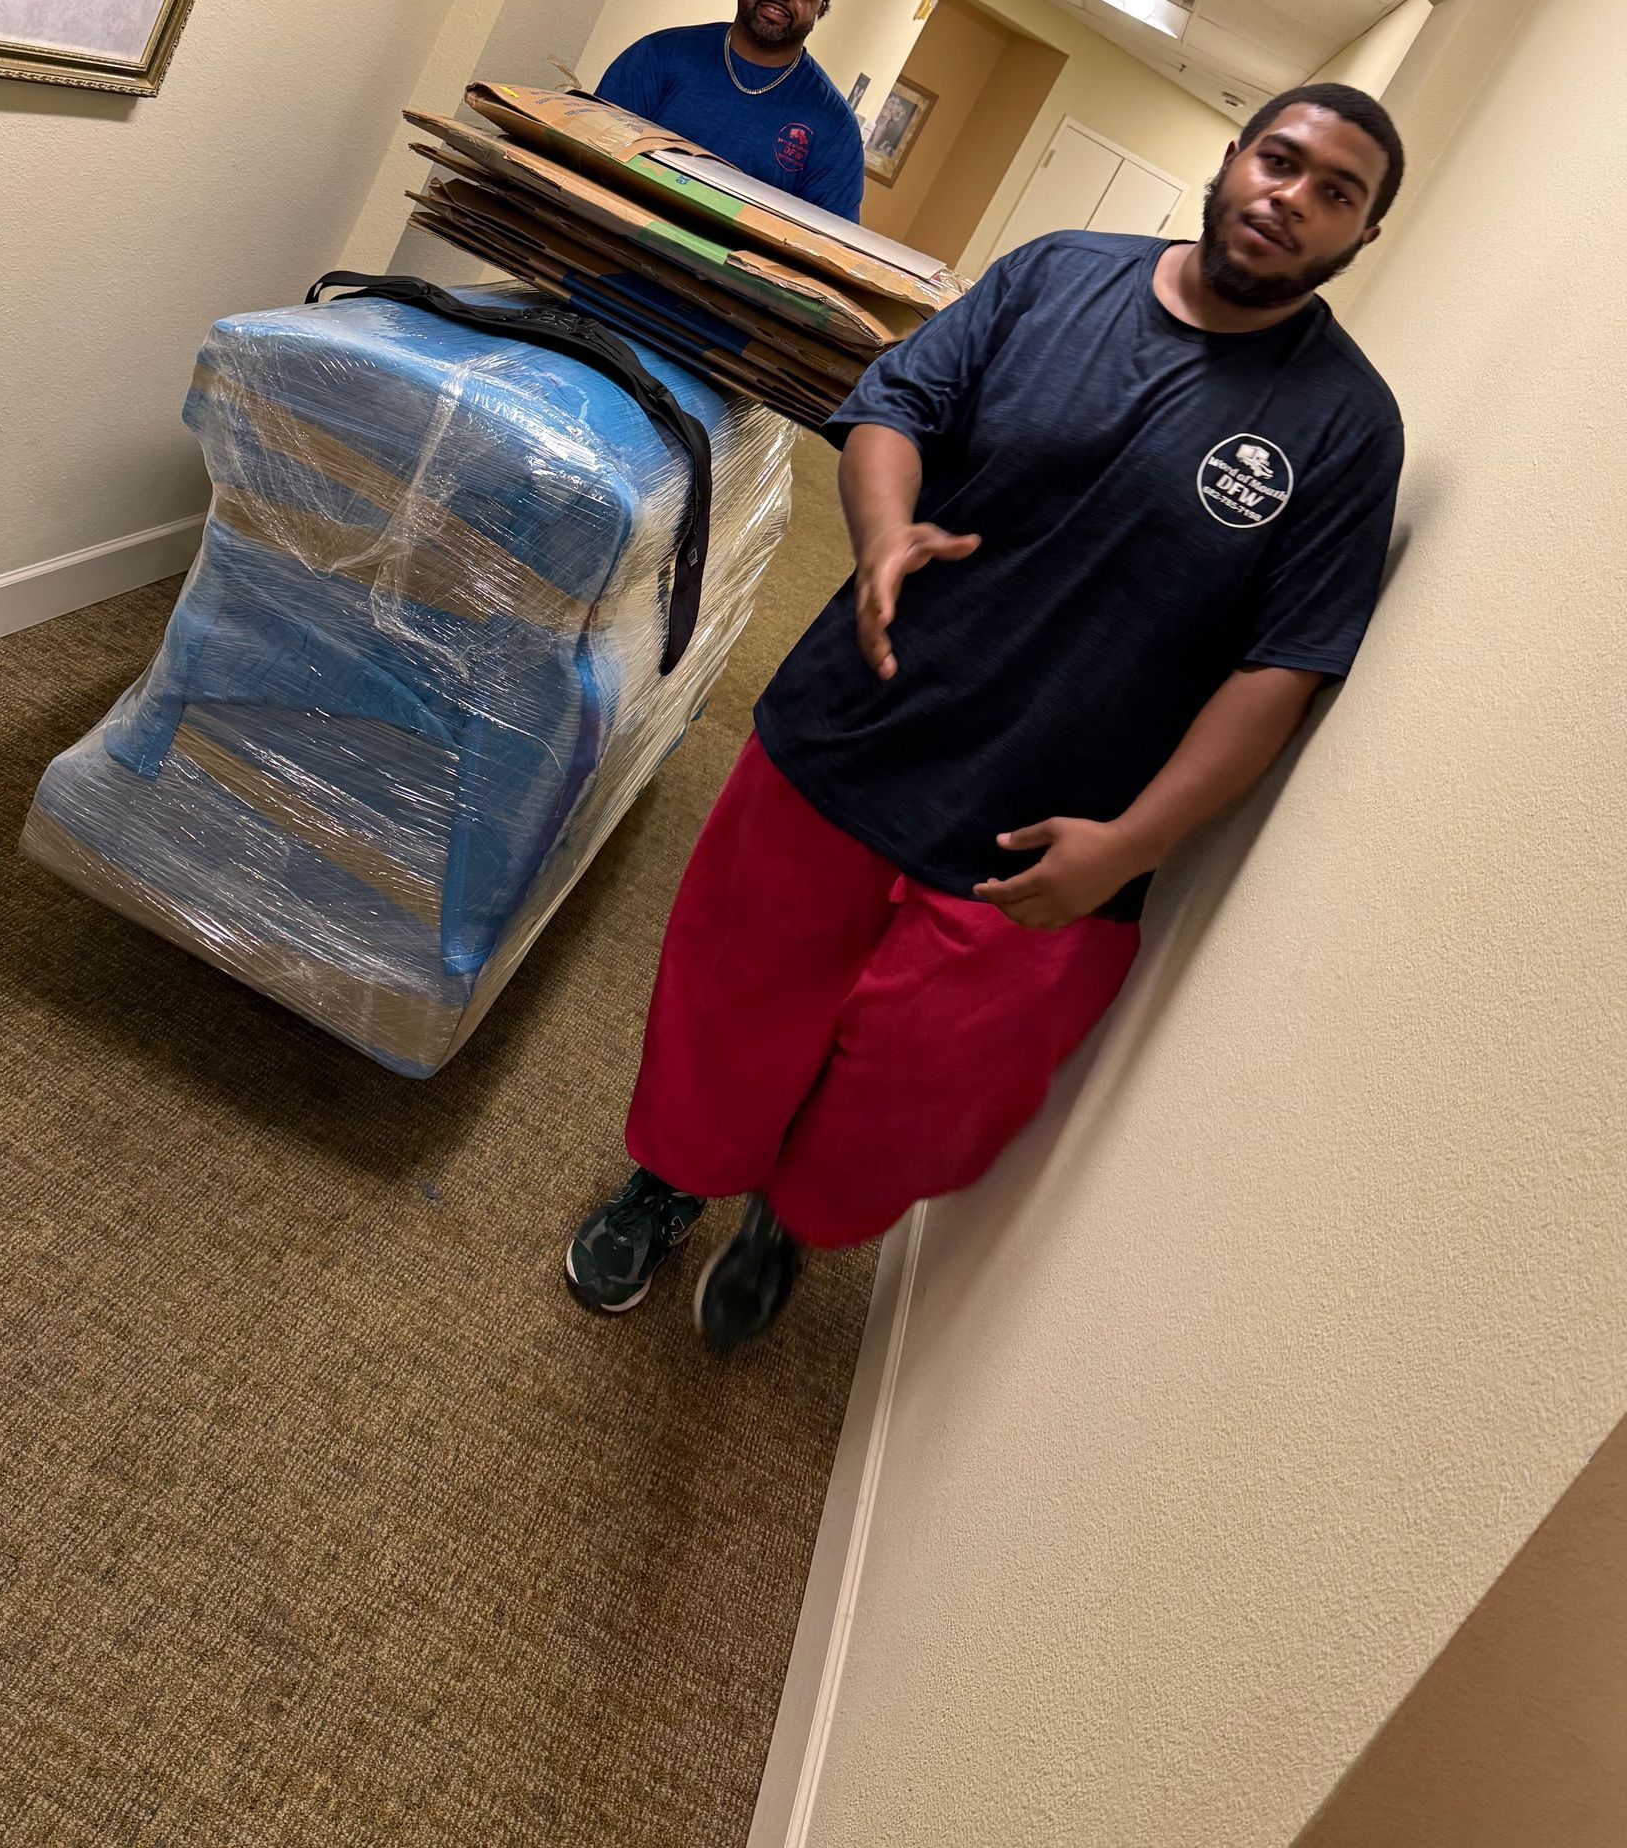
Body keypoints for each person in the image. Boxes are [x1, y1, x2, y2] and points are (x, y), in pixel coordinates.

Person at [564, 82, 1408, 1349]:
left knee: (906, 1092)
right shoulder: (1060, 274)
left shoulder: (1347, 426)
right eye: (1280, 161)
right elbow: (898, 407)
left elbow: (1284, 668)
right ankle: (671, 1177)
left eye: (1337, 191)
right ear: (1233, 159)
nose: (1293, 197)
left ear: (1362, 236)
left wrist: (1130, 848)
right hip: (860, 726)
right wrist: (885, 530)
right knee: (733, 1001)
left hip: (1036, 838)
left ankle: (785, 1221)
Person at [593, 0, 865, 219]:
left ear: (821, 9)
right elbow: (590, 154)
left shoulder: (834, 126)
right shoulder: (660, 55)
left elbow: (827, 244)